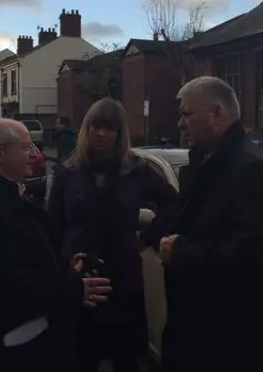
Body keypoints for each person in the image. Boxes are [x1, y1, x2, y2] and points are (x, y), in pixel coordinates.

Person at [158, 77, 263, 372]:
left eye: (187, 114)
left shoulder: (254, 170)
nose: (180, 124)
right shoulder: (207, 163)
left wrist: (181, 251)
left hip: (238, 348)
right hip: (207, 341)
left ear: (216, 114)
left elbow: (250, 256)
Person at [0, 118, 112, 372]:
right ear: (0, 153)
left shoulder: (1, 197)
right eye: (25, 147)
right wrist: (74, 288)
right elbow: (6, 288)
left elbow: (25, 258)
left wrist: (64, 267)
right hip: (5, 356)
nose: (35, 154)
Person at [47, 98, 180, 372]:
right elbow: (53, 227)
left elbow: (175, 204)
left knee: (126, 359)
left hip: (124, 280)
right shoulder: (68, 173)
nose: (101, 134)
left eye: (110, 129)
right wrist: (59, 273)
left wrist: (149, 237)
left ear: (120, 134)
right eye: (96, 126)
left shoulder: (136, 171)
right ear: (86, 128)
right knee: (80, 360)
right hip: (80, 279)